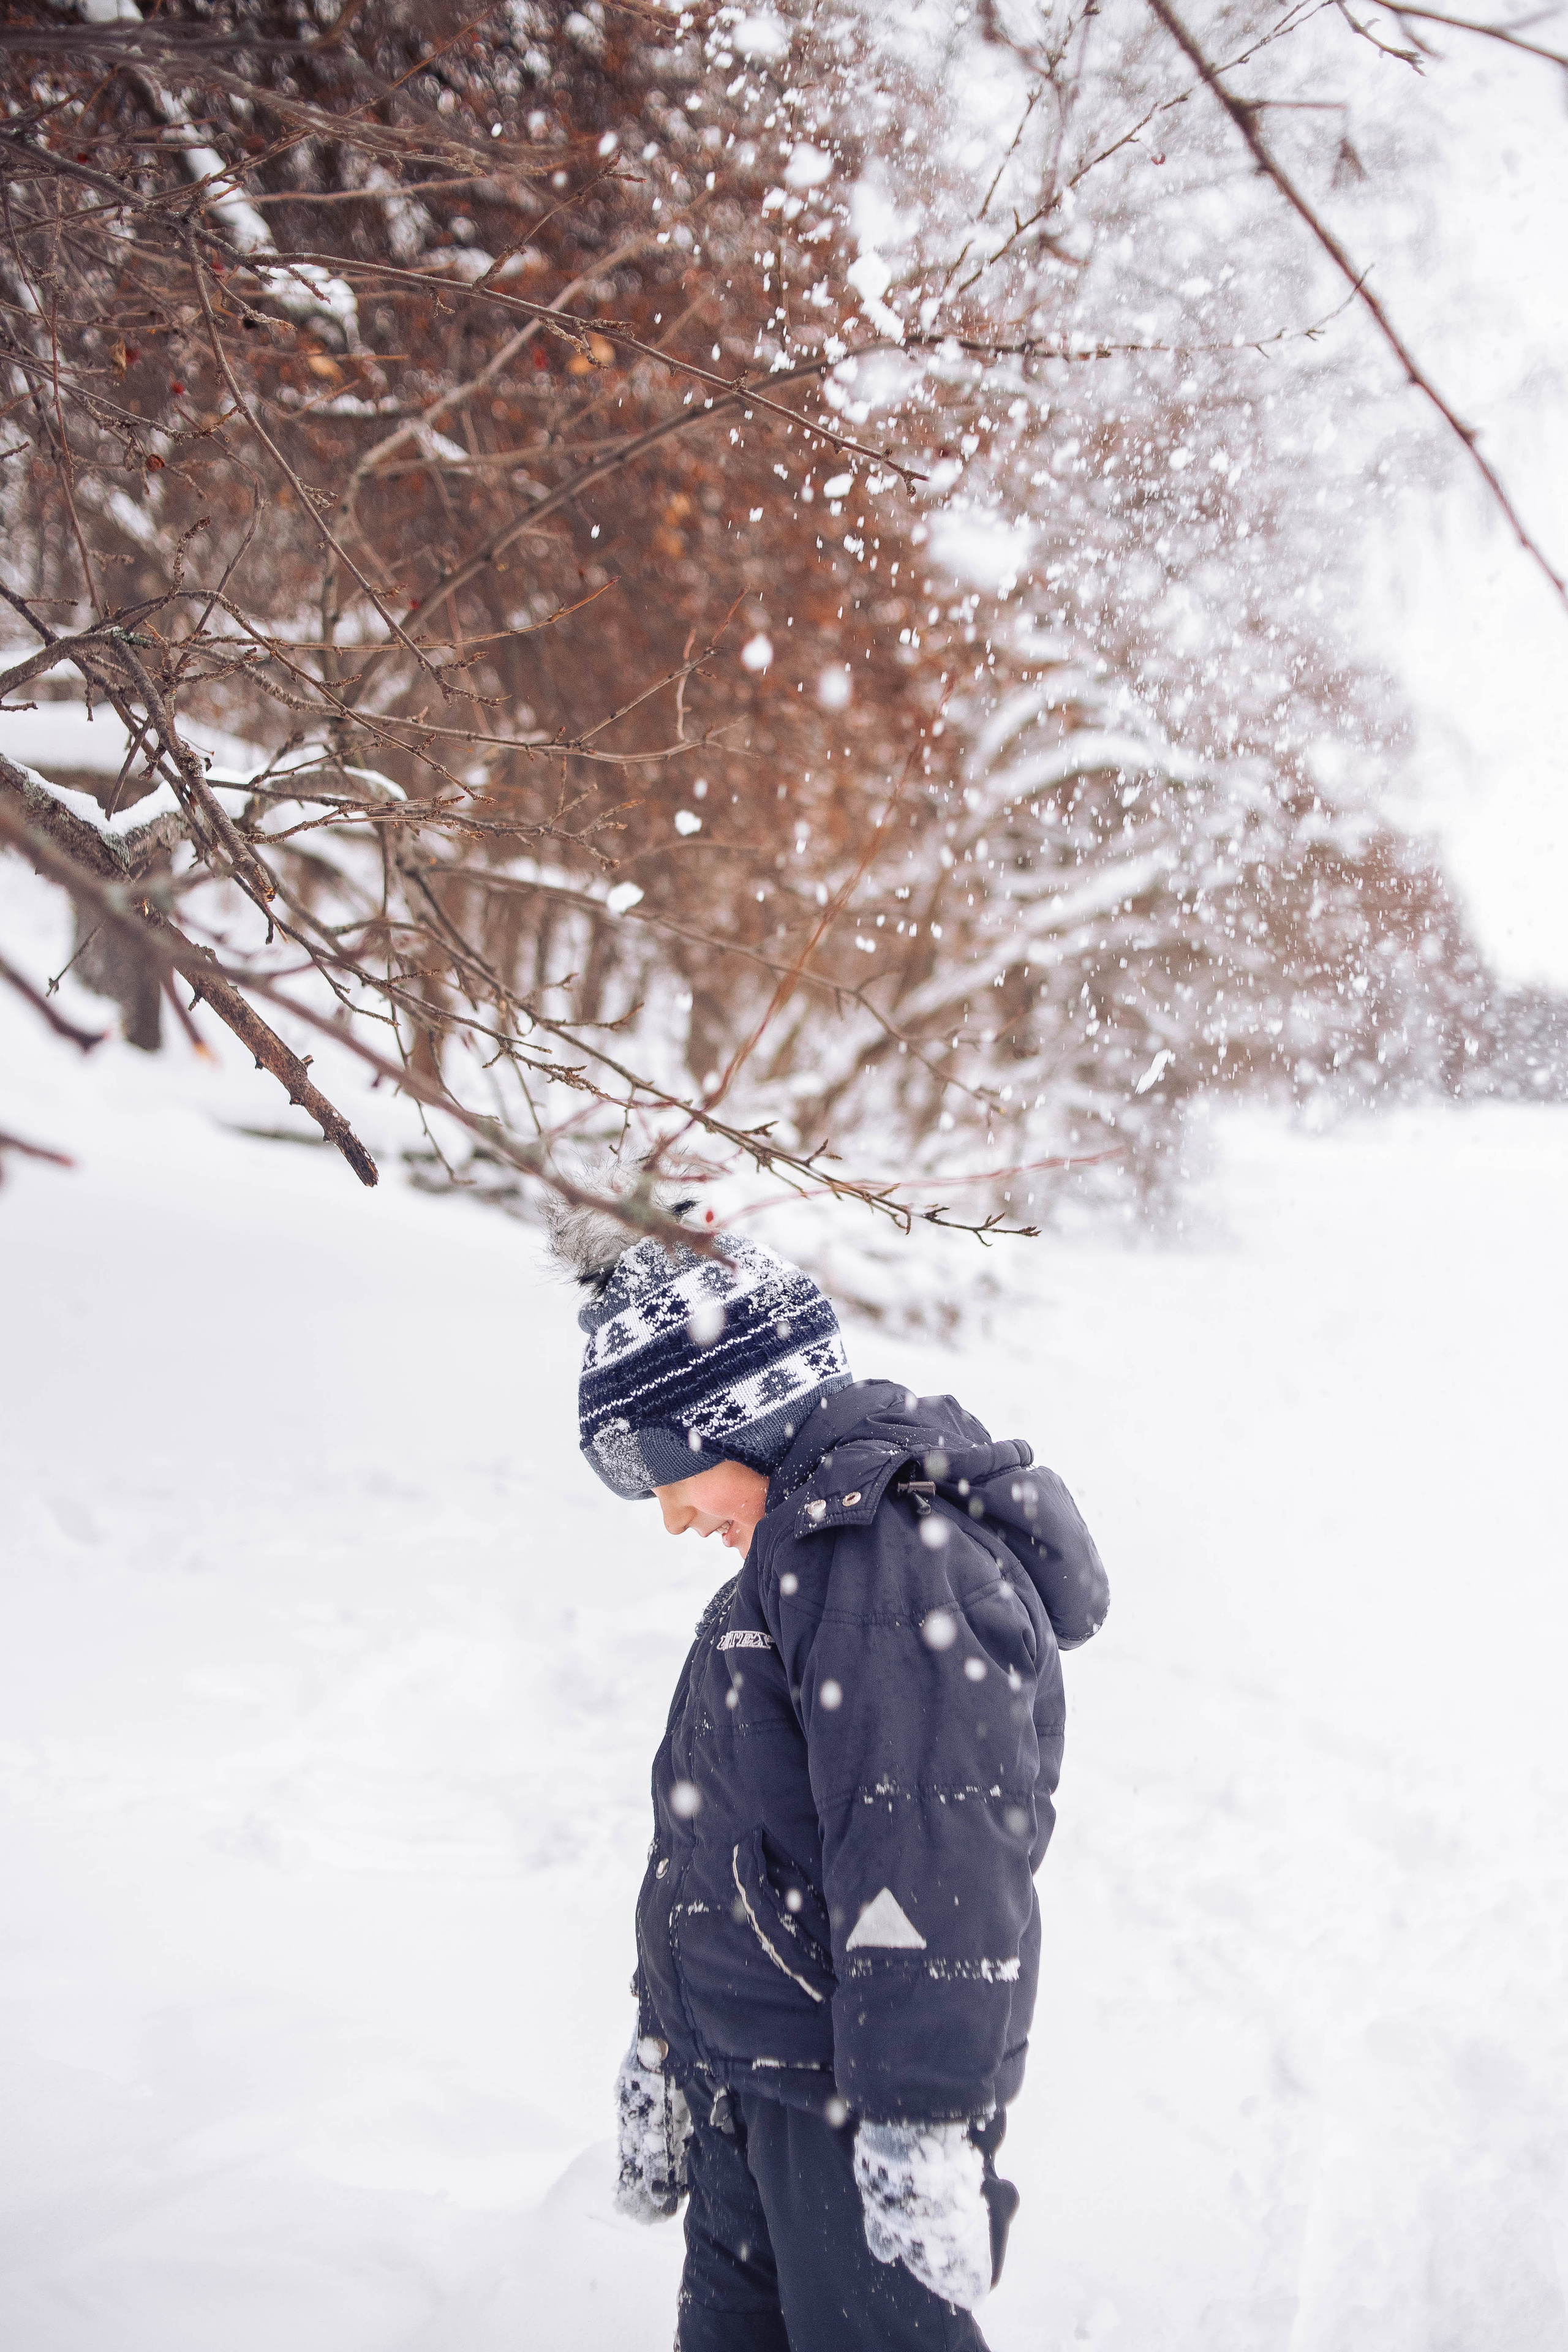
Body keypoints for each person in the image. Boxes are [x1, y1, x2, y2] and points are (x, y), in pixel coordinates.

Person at [549, 1192, 1109, 2351]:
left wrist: (916, 2122)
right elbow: (711, 1846)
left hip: (846, 2101)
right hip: (758, 2082)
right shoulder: (796, 1568)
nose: (668, 1516)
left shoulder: (883, 1563)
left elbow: (935, 1854)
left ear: (738, 1417)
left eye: (666, 1469)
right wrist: (667, 2041)